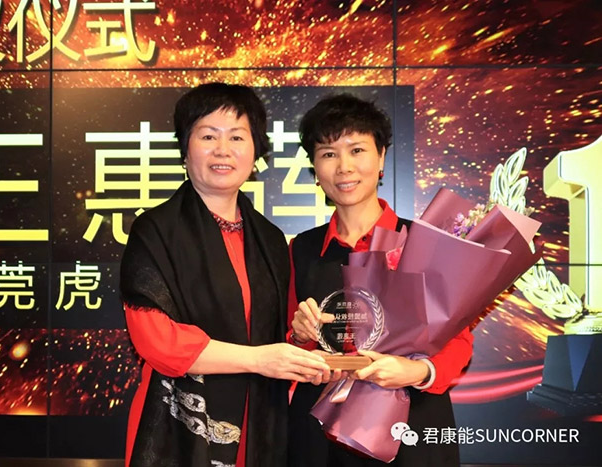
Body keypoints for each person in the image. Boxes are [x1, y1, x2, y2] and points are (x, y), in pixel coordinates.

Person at [120, 83, 331, 467]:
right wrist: (258, 360)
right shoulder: (155, 231)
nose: (223, 149)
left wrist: (301, 339)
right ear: (185, 149)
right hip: (180, 426)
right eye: (207, 136)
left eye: (237, 137)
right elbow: (157, 341)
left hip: (259, 422)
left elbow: (281, 336)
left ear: (255, 149)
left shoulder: (270, 239)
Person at [287, 94, 474, 467]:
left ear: (382, 156)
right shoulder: (301, 249)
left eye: (357, 150)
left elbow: (459, 342)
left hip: (412, 423)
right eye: (328, 154)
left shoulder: (423, 243)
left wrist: (416, 371)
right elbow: (292, 342)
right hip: (321, 431)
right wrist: (300, 336)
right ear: (314, 167)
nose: (344, 167)